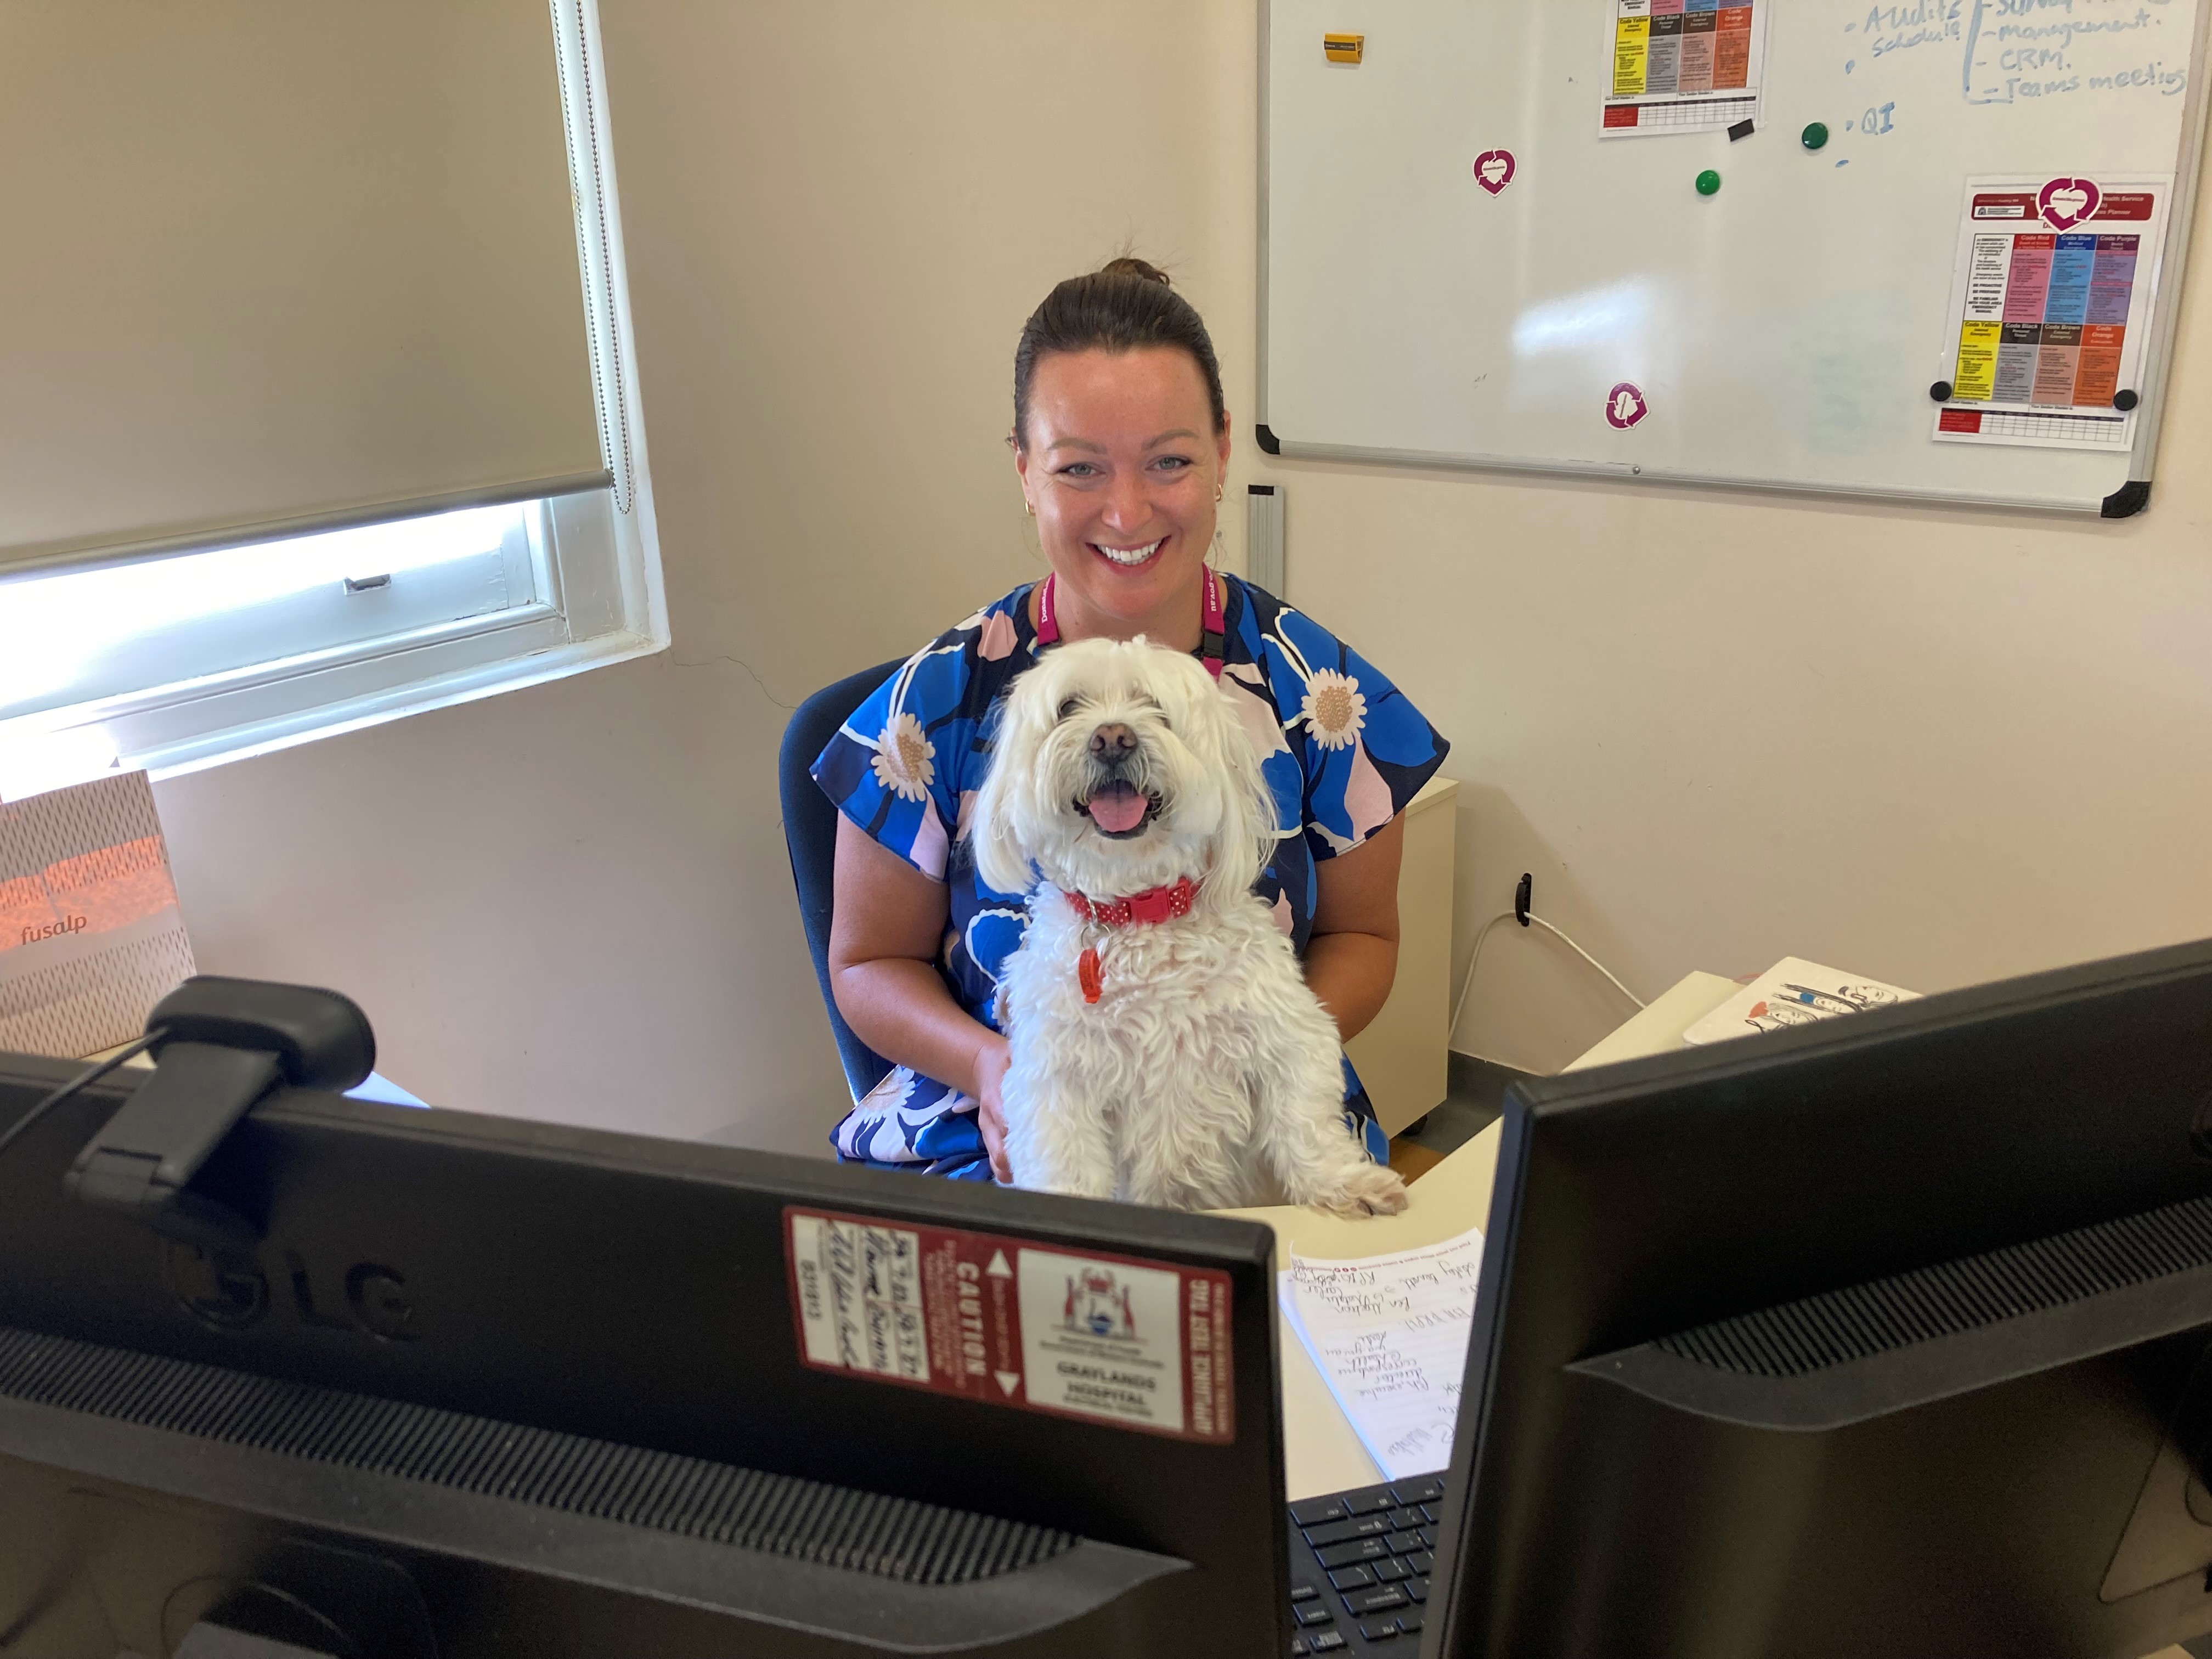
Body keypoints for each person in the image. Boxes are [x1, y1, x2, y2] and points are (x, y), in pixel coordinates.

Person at [811, 257, 1449, 1184]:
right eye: (1079, 468)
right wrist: (999, 1068)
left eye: (1170, 461)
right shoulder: (933, 707)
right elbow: (868, 964)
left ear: (1224, 452)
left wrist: (1237, 1054)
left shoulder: (1322, 695)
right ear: (1025, 472)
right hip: (1000, 1105)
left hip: (1248, 1105)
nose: (1127, 509)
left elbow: (1367, 938)